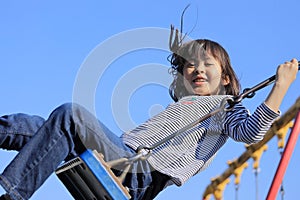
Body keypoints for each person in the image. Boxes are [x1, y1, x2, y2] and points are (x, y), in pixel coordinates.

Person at [0, 32, 298, 200]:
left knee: (71, 114)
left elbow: (250, 132)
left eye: (207, 63)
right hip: (119, 156)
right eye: (190, 65)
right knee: (40, 127)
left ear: (226, 78)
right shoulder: (186, 104)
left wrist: (281, 86)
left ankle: (13, 194)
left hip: (138, 174)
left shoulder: (226, 107)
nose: (197, 69)